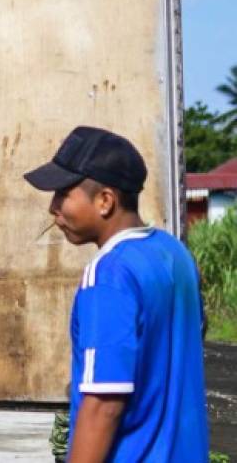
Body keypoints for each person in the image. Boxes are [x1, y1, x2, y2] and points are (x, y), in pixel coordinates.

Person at [24, 126, 208, 462]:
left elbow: (104, 403)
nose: (54, 208)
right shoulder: (175, 254)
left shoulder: (109, 274)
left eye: (63, 193)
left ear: (105, 200)